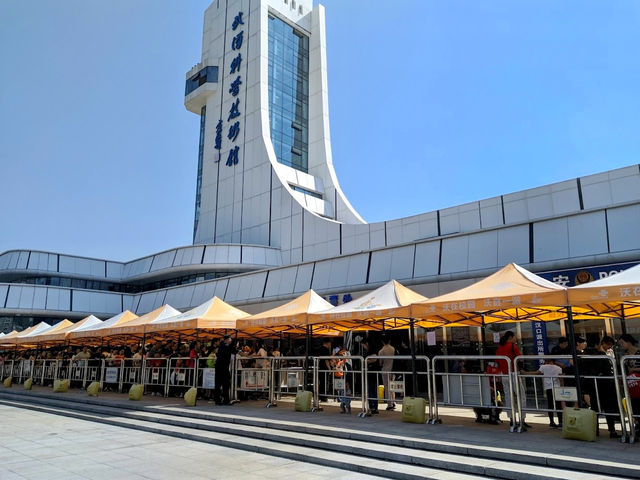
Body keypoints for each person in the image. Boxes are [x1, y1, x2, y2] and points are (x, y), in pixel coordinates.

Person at [581, 336, 620, 438]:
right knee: (608, 408)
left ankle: (596, 430)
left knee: (596, 408)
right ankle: (611, 431)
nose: (609, 347)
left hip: (594, 385)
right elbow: (607, 369)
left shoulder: (587, 354)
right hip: (604, 385)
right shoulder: (601, 355)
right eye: (608, 345)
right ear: (602, 343)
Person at [495, 331, 528, 428]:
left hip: (504, 375)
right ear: (511, 337)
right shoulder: (513, 346)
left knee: (508, 397)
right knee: (521, 396)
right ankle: (522, 419)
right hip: (513, 374)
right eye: (514, 337)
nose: (516, 339)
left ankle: (511, 419)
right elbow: (520, 358)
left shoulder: (500, 347)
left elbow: (497, 361)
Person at [521, 358, 563, 428]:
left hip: (548, 388)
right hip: (557, 388)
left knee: (550, 405)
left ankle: (551, 422)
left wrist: (525, 373)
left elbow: (536, 373)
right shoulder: (558, 368)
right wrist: (562, 386)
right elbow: (560, 379)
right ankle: (560, 422)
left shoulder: (543, 367)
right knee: (558, 405)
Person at [214, 334, 234, 405]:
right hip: (222, 367)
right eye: (230, 339)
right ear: (226, 340)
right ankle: (224, 400)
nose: (231, 340)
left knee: (219, 384)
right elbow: (234, 351)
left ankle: (219, 400)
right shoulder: (225, 346)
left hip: (221, 367)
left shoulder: (221, 346)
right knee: (224, 384)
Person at [362, 339, 379, 414]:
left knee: (371, 390)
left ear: (367, 343)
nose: (363, 347)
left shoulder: (372, 350)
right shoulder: (372, 350)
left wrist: (365, 361)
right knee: (372, 390)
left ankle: (372, 407)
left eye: (363, 345)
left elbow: (375, 359)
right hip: (371, 372)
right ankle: (374, 407)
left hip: (371, 372)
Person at [378, 336, 396, 410]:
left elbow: (380, 363)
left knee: (387, 387)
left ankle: (389, 404)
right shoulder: (393, 349)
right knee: (392, 386)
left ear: (382, 342)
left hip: (385, 369)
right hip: (393, 369)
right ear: (389, 341)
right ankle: (393, 401)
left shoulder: (381, 351)